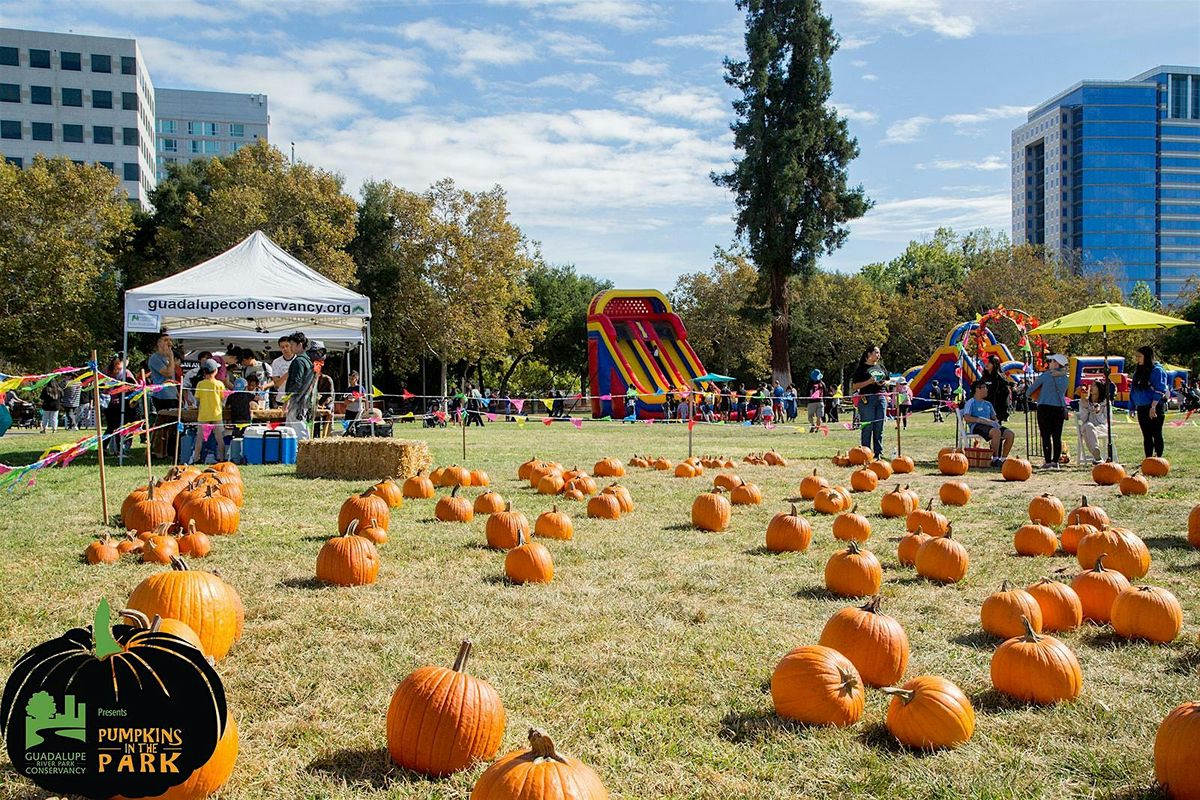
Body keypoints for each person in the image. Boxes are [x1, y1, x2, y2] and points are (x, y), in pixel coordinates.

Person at [1028, 353, 1070, 469]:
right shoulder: (1065, 378)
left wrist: (1029, 395)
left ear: (1056, 363)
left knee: (1045, 435)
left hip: (1045, 407)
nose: (1049, 363)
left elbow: (1032, 388)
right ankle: (1056, 461)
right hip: (1059, 407)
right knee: (1057, 436)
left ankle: (1047, 461)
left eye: (1051, 361)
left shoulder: (1046, 376)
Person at [963, 380, 1015, 466]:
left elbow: (994, 417)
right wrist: (982, 420)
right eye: (985, 387)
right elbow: (967, 418)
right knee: (996, 432)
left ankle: (1003, 459)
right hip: (977, 426)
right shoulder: (970, 402)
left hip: (990, 426)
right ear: (978, 389)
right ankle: (995, 459)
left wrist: (995, 422)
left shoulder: (988, 404)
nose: (987, 390)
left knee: (1010, 434)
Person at [1130, 344, 1168, 459]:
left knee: (1156, 433)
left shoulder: (1157, 371)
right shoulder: (1138, 372)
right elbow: (1133, 390)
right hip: (1141, 407)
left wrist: (1153, 406)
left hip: (1155, 407)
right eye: (1136, 356)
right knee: (1146, 435)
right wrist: (1131, 406)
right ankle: (1148, 459)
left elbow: (1160, 389)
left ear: (1147, 357)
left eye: (1139, 356)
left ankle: (1158, 459)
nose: (1137, 359)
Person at [851, 345, 888, 458]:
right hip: (867, 399)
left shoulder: (881, 367)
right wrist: (869, 382)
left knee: (879, 427)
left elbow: (886, 380)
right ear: (869, 354)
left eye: (879, 353)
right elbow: (855, 386)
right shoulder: (862, 369)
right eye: (876, 352)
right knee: (867, 427)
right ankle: (865, 453)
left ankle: (878, 453)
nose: (878, 355)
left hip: (881, 398)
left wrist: (883, 384)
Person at [101, 354, 138, 456]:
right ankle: (119, 450)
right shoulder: (125, 372)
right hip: (121, 404)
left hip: (109, 403)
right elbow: (135, 388)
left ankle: (104, 447)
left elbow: (104, 388)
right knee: (120, 427)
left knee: (111, 427)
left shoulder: (106, 371)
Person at [192, 360, 226, 464]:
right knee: (220, 439)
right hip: (217, 415)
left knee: (199, 439)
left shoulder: (200, 384)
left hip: (203, 415)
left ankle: (196, 458)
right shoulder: (219, 384)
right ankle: (221, 458)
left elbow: (197, 398)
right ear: (215, 371)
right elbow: (223, 397)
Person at [283, 332, 315, 427]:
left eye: (292, 344)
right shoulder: (308, 360)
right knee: (295, 428)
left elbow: (297, 382)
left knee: (296, 428)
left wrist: (287, 399)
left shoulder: (299, 361)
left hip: (297, 401)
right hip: (305, 399)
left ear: (300, 345)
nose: (290, 347)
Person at [1078, 379, 1110, 464]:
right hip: (1087, 427)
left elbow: (1104, 420)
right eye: (1091, 385)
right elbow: (1083, 419)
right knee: (1088, 425)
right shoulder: (1084, 402)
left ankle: (1096, 455)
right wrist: (1085, 408)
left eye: (1094, 385)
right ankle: (1096, 451)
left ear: (1100, 388)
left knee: (1088, 430)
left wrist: (1098, 412)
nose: (1091, 387)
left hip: (1101, 428)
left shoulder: (1105, 403)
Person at [981, 354, 1013, 424]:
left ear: (994, 364)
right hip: (983, 409)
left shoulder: (1000, 379)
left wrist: (1002, 413)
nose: (986, 364)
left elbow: (1005, 396)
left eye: (989, 362)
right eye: (986, 362)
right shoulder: (983, 377)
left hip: (996, 411)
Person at [269, 336, 294, 408]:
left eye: (287, 346)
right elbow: (276, 384)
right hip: (281, 399)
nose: (285, 349)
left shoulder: (298, 360)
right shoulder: (276, 362)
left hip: (295, 399)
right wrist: (287, 374)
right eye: (282, 347)